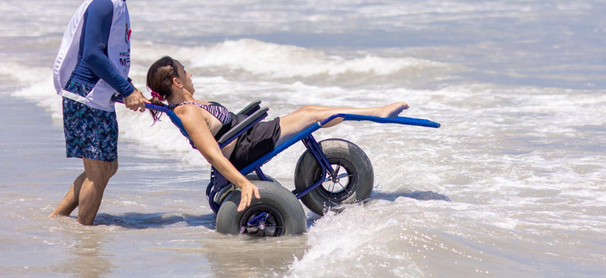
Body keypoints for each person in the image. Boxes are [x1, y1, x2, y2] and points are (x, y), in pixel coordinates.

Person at [145, 56, 409, 213]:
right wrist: (243, 183)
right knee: (312, 115)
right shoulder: (187, 112)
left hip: (249, 136)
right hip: (247, 146)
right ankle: (378, 113)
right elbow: (212, 154)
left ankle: (375, 112)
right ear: (177, 82)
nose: (189, 73)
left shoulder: (188, 105)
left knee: (309, 110)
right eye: (184, 71)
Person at [50, 0, 167, 225]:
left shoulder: (117, 2)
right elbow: (92, 54)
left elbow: (111, 56)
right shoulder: (105, 2)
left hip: (96, 97)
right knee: (98, 171)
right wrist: (126, 89)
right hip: (84, 96)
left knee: (107, 167)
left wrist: (131, 88)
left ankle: (56, 220)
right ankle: (84, 237)